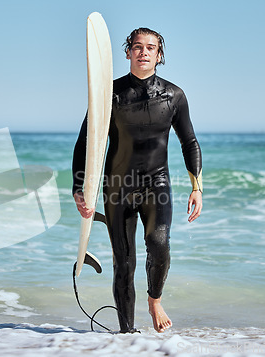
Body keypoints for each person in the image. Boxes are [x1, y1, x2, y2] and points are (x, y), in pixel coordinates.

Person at [72, 27, 203, 333]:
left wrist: (197, 187)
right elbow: (86, 142)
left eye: (150, 48)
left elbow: (190, 142)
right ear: (128, 51)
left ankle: (154, 300)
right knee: (123, 263)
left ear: (159, 55)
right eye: (137, 47)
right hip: (117, 188)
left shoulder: (174, 96)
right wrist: (80, 188)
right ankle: (126, 335)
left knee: (158, 243)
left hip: (157, 185)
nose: (143, 52)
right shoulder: (109, 95)